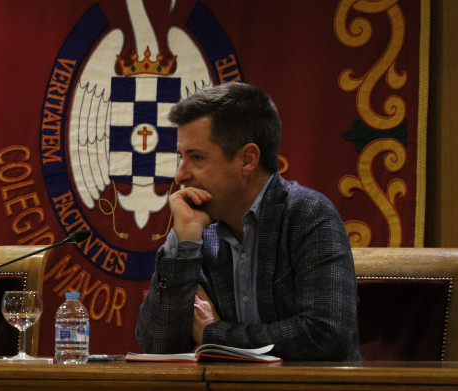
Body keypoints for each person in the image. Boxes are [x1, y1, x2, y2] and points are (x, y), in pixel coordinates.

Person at [135, 82, 360, 361]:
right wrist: (185, 245)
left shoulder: (307, 214)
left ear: (247, 159)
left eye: (196, 157)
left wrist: (214, 334)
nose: (180, 175)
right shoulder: (196, 228)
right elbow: (156, 345)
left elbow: (326, 336)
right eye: (181, 158)